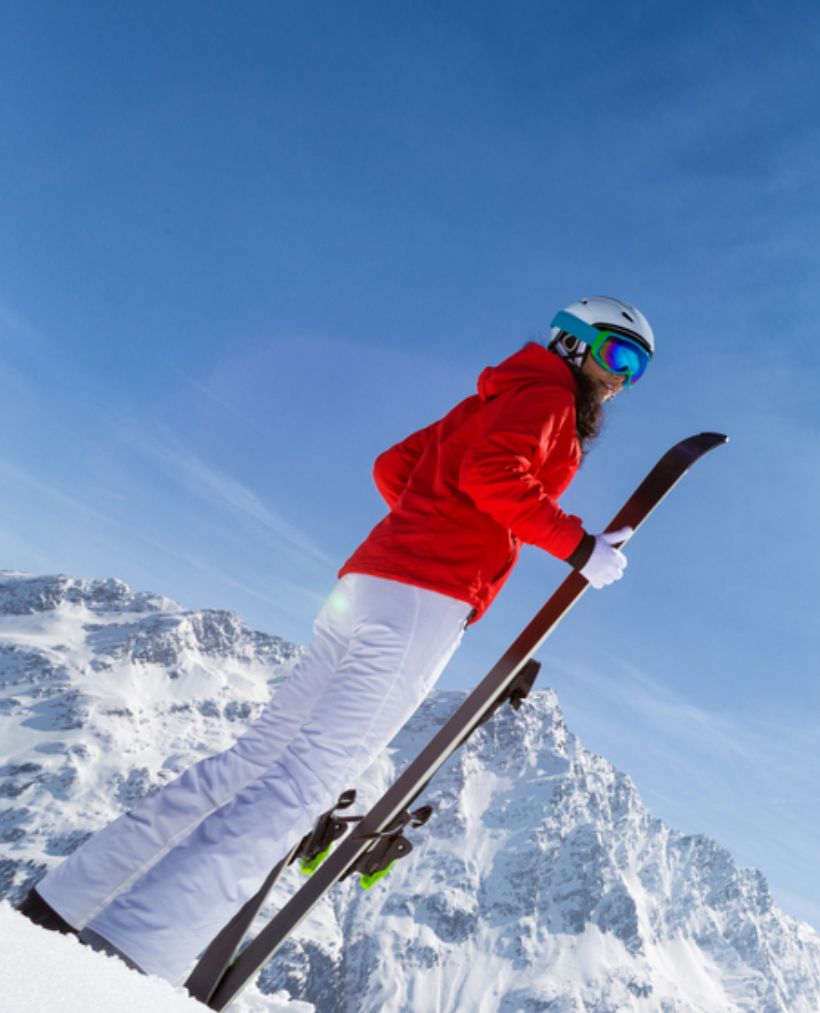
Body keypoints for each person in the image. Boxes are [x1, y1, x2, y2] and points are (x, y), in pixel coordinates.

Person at [15, 297, 657, 984]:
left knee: (253, 759)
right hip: (423, 600)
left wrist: (426, 523)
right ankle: (128, 954)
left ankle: (64, 901)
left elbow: (394, 467)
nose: (622, 380)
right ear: (572, 342)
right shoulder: (549, 398)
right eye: (618, 355)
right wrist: (577, 546)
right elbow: (492, 478)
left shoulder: (497, 394)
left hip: (369, 583)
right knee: (300, 785)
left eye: (638, 370)